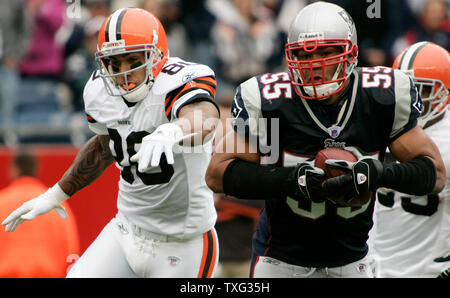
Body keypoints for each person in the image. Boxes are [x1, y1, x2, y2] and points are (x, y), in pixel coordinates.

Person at [205, 1, 446, 278]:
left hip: (352, 261)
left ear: (350, 53)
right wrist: (290, 180)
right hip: (280, 262)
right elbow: (218, 174)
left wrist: (378, 173)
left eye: (326, 52)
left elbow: (434, 173)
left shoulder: (379, 99)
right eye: (304, 56)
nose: (315, 65)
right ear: (289, 56)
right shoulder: (271, 102)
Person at [2, 7, 220, 278]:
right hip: (126, 231)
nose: (123, 73)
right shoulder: (99, 92)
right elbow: (107, 144)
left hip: (184, 243)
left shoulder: (177, 80)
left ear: (156, 56)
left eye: (132, 61)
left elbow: (206, 117)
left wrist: (173, 131)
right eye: (114, 64)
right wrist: (56, 193)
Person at [370, 42, 450, 278]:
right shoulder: (379, 121)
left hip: (430, 269)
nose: (414, 99)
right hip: (374, 265)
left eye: (423, 90)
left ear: (444, 92)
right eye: (408, 88)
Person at [0, 148, 79, 277]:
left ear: (13, 169)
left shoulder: (2, 202)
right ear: (36, 169)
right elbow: (71, 251)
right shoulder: (56, 206)